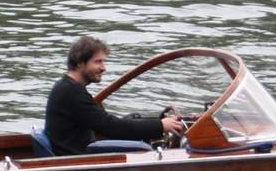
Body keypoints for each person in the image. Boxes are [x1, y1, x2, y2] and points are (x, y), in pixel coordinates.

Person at [44, 36, 188, 156]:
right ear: (80, 63)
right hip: (76, 165)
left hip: (75, 154)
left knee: (134, 117)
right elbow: (111, 127)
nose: (103, 67)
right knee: (144, 150)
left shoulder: (67, 87)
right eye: (98, 61)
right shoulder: (71, 92)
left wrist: (154, 122)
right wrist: (160, 125)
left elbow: (104, 123)